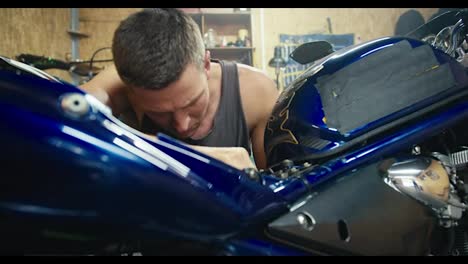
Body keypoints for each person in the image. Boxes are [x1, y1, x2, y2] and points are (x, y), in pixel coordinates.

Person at [80, 8, 279, 170]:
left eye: (192, 102)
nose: (182, 125)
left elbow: (278, 195)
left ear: (206, 64)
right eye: (160, 113)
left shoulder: (256, 90)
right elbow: (58, 116)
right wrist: (201, 157)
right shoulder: (127, 77)